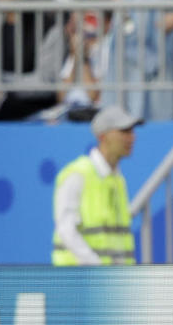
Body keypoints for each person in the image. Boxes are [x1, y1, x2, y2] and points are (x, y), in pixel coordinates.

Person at [52, 105, 139, 265]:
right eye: (124, 131)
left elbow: (118, 241)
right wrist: (97, 270)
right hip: (79, 280)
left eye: (132, 131)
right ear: (103, 136)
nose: (132, 138)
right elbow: (66, 230)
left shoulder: (118, 180)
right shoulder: (77, 174)